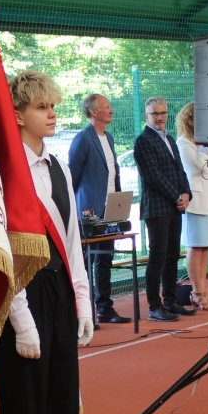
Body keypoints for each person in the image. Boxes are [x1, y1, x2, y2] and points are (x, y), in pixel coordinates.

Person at [0, 70, 95, 414]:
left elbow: (72, 239)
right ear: (16, 114)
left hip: (58, 289)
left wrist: (83, 298)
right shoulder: (1, 171)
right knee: (26, 412)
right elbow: (3, 251)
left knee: (60, 404)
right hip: (22, 294)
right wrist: (21, 320)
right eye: (41, 107)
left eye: (54, 105)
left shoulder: (58, 166)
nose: (52, 114)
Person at [68, 93, 130, 323]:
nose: (111, 110)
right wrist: (76, 210)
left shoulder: (110, 138)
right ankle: (84, 313)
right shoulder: (82, 139)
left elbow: (112, 173)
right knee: (85, 262)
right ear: (93, 112)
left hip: (111, 208)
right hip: (89, 212)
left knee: (105, 259)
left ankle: (104, 308)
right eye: (106, 106)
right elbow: (72, 176)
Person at [133, 97, 194, 321]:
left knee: (172, 256)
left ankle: (171, 301)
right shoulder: (143, 141)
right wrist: (177, 196)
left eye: (163, 113)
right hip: (157, 209)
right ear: (147, 116)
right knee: (157, 257)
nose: (159, 117)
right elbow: (153, 176)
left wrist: (187, 193)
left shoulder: (169, 139)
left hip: (174, 207)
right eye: (154, 114)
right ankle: (154, 307)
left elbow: (180, 171)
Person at [174, 102, 208, 308]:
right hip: (195, 202)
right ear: (190, 120)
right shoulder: (183, 143)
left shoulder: (207, 141)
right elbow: (198, 168)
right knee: (195, 245)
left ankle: (202, 290)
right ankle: (196, 292)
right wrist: (202, 148)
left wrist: (204, 148)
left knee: (205, 246)